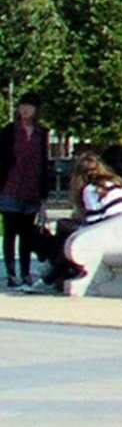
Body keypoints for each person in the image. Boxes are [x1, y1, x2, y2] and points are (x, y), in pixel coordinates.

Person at [47, 150, 122, 292]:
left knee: (65, 231)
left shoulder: (91, 189)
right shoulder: (117, 183)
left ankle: (49, 276)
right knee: (68, 231)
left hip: (112, 232)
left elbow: (94, 223)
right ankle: (51, 274)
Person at [0, 95, 53, 290]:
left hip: (32, 190)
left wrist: (43, 195)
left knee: (27, 234)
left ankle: (25, 272)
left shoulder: (41, 133)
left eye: (29, 106)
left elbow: (43, 164)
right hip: (10, 187)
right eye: (23, 106)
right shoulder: (9, 131)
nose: (25, 110)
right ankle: (11, 273)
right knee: (10, 232)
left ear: (37, 110)